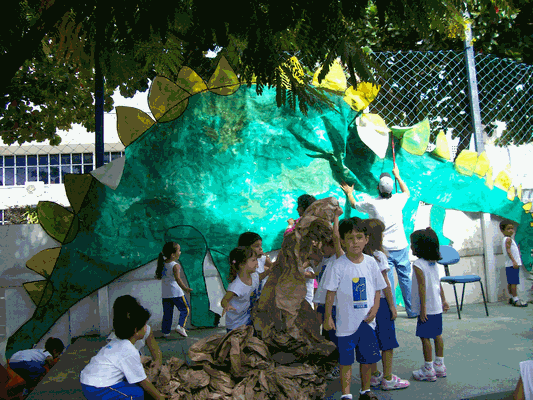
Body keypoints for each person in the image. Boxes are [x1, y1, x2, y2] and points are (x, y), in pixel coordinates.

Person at [323, 217, 387, 400]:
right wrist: (328, 317)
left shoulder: (371, 262)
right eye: (350, 238)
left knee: (366, 360)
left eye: (359, 237)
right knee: (346, 361)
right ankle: (346, 395)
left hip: (367, 322)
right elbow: (330, 294)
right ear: (342, 240)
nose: (355, 242)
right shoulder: (338, 265)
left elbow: (377, 288)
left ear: (366, 239)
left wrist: (375, 309)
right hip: (345, 325)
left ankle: (365, 391)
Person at [341, 165, 416, 318]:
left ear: (377, 188)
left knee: (386, 281)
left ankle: (391, 310)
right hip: (400, 245)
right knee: (405, 278)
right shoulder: (398, 199)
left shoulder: (372, 204)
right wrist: (398, 176)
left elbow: (354, 204)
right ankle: (412, 310)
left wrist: (350, 193)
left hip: (384, 248)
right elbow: (406, 192)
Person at [80, 299, 167, 400]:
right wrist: (159, 397)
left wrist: (142, 360)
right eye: (144, 325)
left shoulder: (117, 341)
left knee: (131, 384)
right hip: (98, 388)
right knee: (136, 394)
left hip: (88, 381)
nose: (146, 327)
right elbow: (144, 382)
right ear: (136, 330)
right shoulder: (129, 349)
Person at [363, 218, 410, 391]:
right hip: (381, 303)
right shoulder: (379, 256)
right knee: (387, 342)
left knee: (372, 339)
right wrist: (392, 305)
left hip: (367, 303)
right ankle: (388, 377)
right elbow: (385, 284)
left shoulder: (361, 257)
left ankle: (375, 375)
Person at [410, 227, 449, 382]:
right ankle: (440, 365)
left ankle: (428, 369)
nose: (411, 247)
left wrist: (423, 309)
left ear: (420, 246)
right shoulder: (434, 263)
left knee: (425, 337)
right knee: (437, 335)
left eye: (413, 244)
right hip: (437, 307)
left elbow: (422, 287)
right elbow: (438, 284)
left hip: (426, 309)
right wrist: (444, 300)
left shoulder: (419, 264)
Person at [313, 211, 344, 380]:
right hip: (322, 303)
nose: (320, 248)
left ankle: (338, 365)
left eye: (324, 245)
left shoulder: (338, 258)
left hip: (333, 306)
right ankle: (327, 364)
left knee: (334, 337)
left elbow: (337, 238)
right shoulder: (324, 259)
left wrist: (336, 219)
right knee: (324, 336)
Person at [107, 295, 163, 372]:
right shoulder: (114, 339)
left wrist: (157, 363)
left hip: (141, 366)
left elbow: (155, 350)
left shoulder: (145, 329)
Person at [221, 246, 271, 332]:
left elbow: (260, 277)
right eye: (253, 260)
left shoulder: (254, 275)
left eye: (256, 259)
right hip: (235, 325)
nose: (257, 263)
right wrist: (226, 305)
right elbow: (224, 300)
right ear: (241, 265)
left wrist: (269, 270)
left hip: (248, 320)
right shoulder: (236, 286)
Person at [155, 242, 193, 338]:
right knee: (185, 308)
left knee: (168, 313)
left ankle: (166, 332)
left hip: (166, 293)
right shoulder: (175, 265)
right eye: (179, 250)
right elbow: (178, 279)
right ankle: (180, 326)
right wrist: (185, 288)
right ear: (172, 254)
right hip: (176, 293)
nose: (180, 252)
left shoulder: (162, 264)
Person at [237, 232, 273, 301]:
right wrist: (269, 270)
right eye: (257, 246)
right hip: (248, 297)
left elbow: (272, 265)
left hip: (260, 294)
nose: (261, 248)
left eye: (260, 246)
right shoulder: (244, 263)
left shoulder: (262, 258)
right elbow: (255, 279)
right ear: (246, 248)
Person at [500, 220, 528, 307]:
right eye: (508, 229)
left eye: (512, 228)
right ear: (502, 230)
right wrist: (514, 261)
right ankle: (516, 299)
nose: (511, 230)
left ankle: (512, 298)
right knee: (514, 283)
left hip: (509, 264)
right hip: (512, 264)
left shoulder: (507, 239)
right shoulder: (508, 239)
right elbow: (508, 251)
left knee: (511, 282)